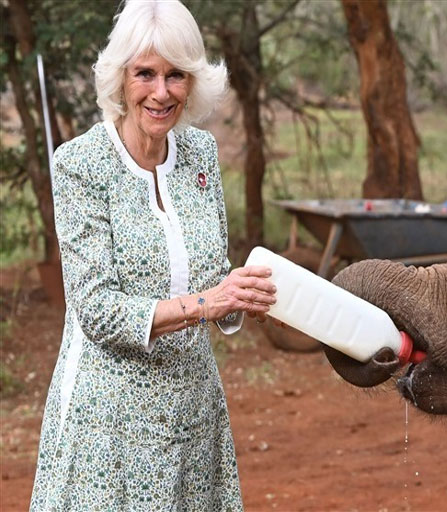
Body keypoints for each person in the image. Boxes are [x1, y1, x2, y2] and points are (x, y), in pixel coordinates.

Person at [30, 1, 274, 509]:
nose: (161, 92)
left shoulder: (201, 155)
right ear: (121, 79)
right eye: (145, 74)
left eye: (175, 76)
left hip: (192, 407)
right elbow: (97, 310)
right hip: (108, 423)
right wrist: (208, 303)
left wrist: (242, 294)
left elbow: (212, 275)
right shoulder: (79, 165)